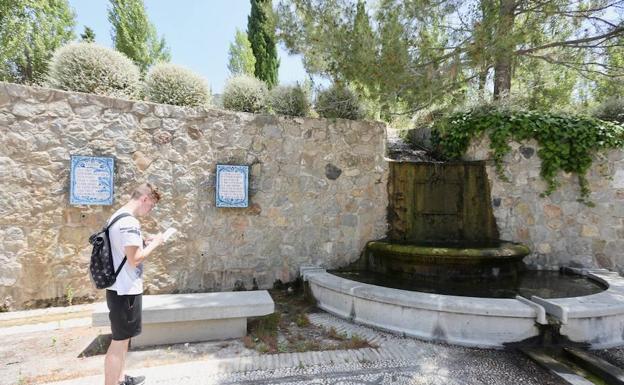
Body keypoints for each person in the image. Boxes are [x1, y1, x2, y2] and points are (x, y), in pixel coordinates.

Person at [104, 183, 164, 385]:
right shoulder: (129, 222)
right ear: (145, 199)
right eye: (151, 206)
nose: (150, 210)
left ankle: (120, 379)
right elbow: (135, 259)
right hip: (125, 289)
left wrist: (143, 242)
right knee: (119, 340)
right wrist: (156, 243)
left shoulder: (117, 216)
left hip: (120, 287)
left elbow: (125, 251)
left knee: (124, 337)